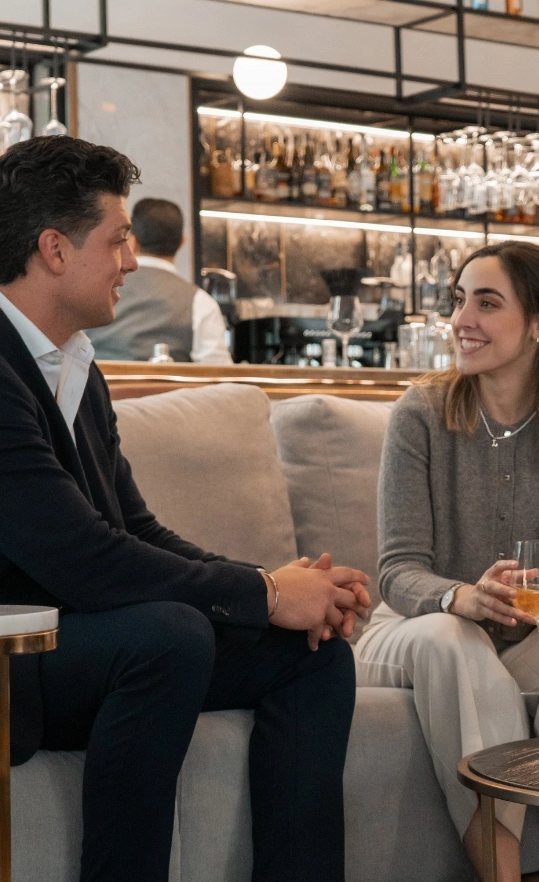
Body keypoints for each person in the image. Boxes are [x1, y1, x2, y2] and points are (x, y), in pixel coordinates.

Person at [0, 135, 370, 882]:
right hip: (12, 661)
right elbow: (86, 559)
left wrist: (280, 588)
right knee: (166, 634)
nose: (133, 261)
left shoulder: (76, 365)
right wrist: (264, 594)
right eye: (119, 238)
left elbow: (135, 529)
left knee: (315, 653)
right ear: (55, 250)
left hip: (79, 648)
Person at [355, 241, 539, 882]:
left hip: (525, 638)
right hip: (412, 631)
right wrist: (461, 595)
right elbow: (398, 572)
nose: (463, 320)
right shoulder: (420, 415)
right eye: (459, 301)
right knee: (456, 641)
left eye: (487, 303)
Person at [87, 196, 233, 363]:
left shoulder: (96, 290)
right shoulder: (200, 302)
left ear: (132, 242)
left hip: (100, 387)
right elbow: (218, 375)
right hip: (174, 390)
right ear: (182, 243)